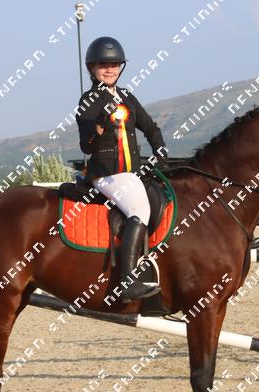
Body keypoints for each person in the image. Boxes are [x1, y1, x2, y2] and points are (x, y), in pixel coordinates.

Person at [76, 36, 168, 301]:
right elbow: (87, 145)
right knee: (139, 210)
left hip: (132, 172)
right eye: (103, 65)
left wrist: (160, 148)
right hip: (108, 175)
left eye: (114, 64)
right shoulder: (88, 100)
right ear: (92, 68)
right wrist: (100, 123)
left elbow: (150, 127)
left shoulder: (127, 96)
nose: (110, 69)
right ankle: (127, 281)